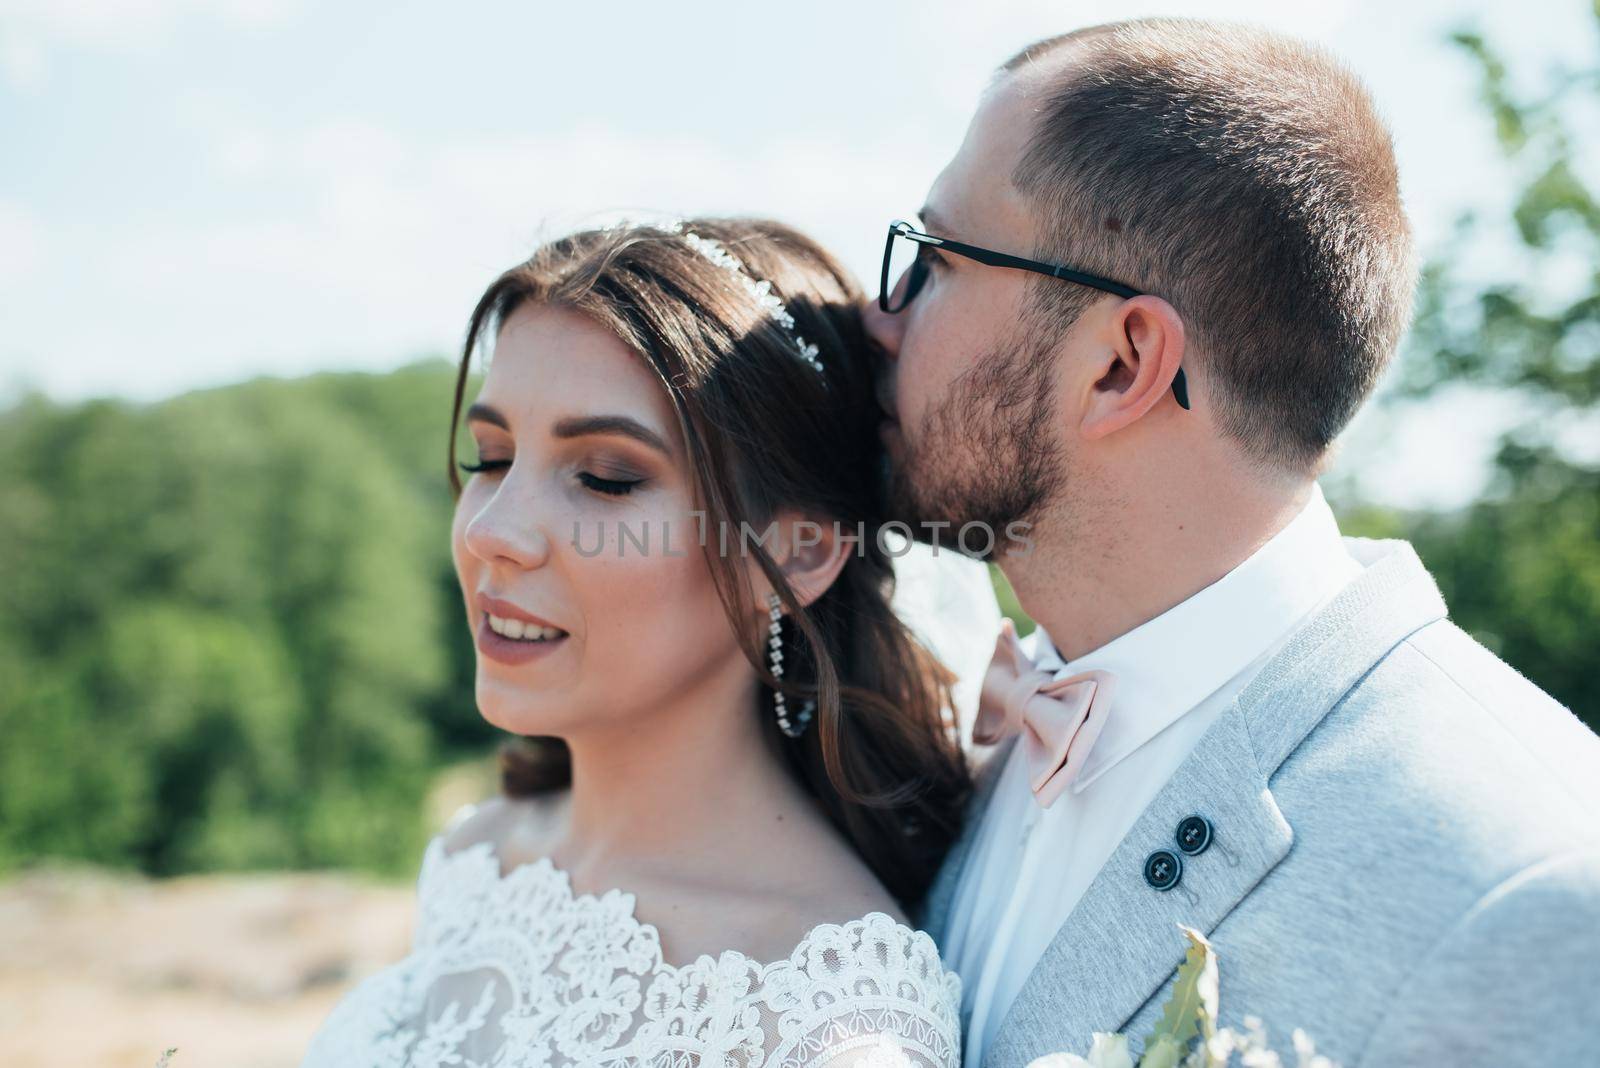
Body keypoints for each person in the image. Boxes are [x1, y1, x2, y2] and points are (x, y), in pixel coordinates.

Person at [868, 17, 1600, 1068]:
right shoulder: (959, 730)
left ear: (1120, 364)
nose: (878, 314)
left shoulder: (1523, 886)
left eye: (933, 261)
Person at [299, 218, 986, 1068]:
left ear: (798, 552)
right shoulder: (477, 859)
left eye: (606, 477)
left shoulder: (826, 1026)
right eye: (490, 458)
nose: (494, 532)